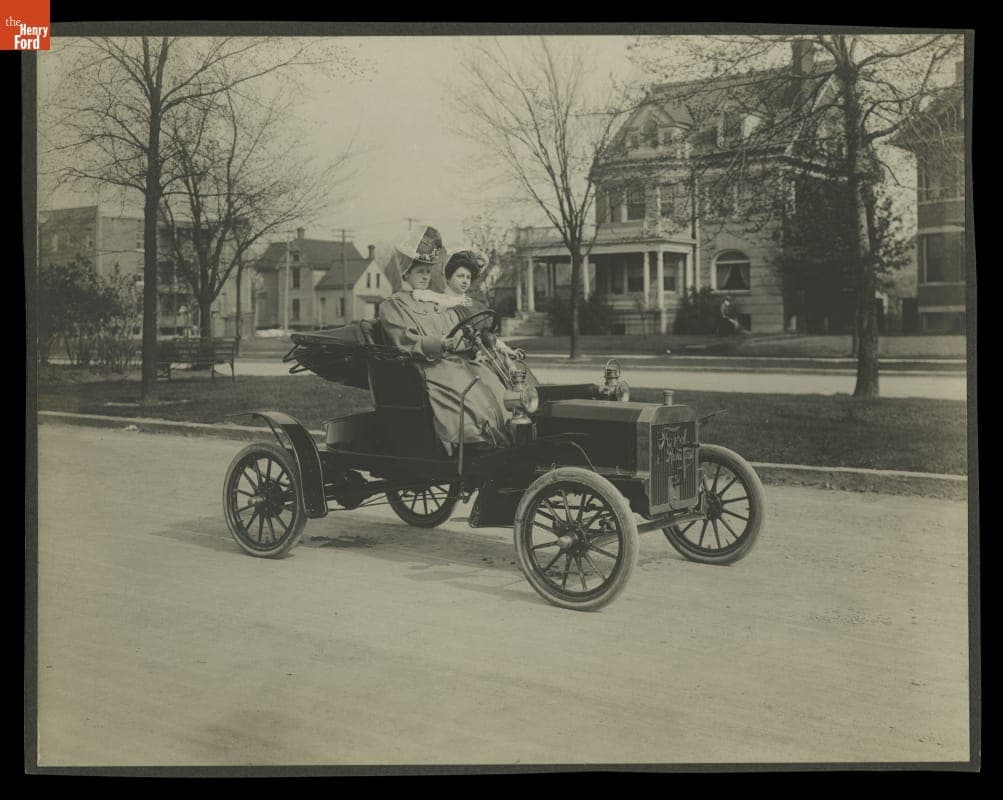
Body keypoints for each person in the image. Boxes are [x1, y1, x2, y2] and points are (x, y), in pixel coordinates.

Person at [379, 226, 516, 450]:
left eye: (427, 271)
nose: (426, 276)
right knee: (462, 387)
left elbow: (455, 328)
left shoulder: (433, 302)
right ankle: (472, 439)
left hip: (455, 359)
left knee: (490, 381)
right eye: (420, 271)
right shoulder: (394, 305)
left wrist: (469, 344)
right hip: (427, 365)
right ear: (406, 274)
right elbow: (405, 340)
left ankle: (504, 433)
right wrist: (441, 343)